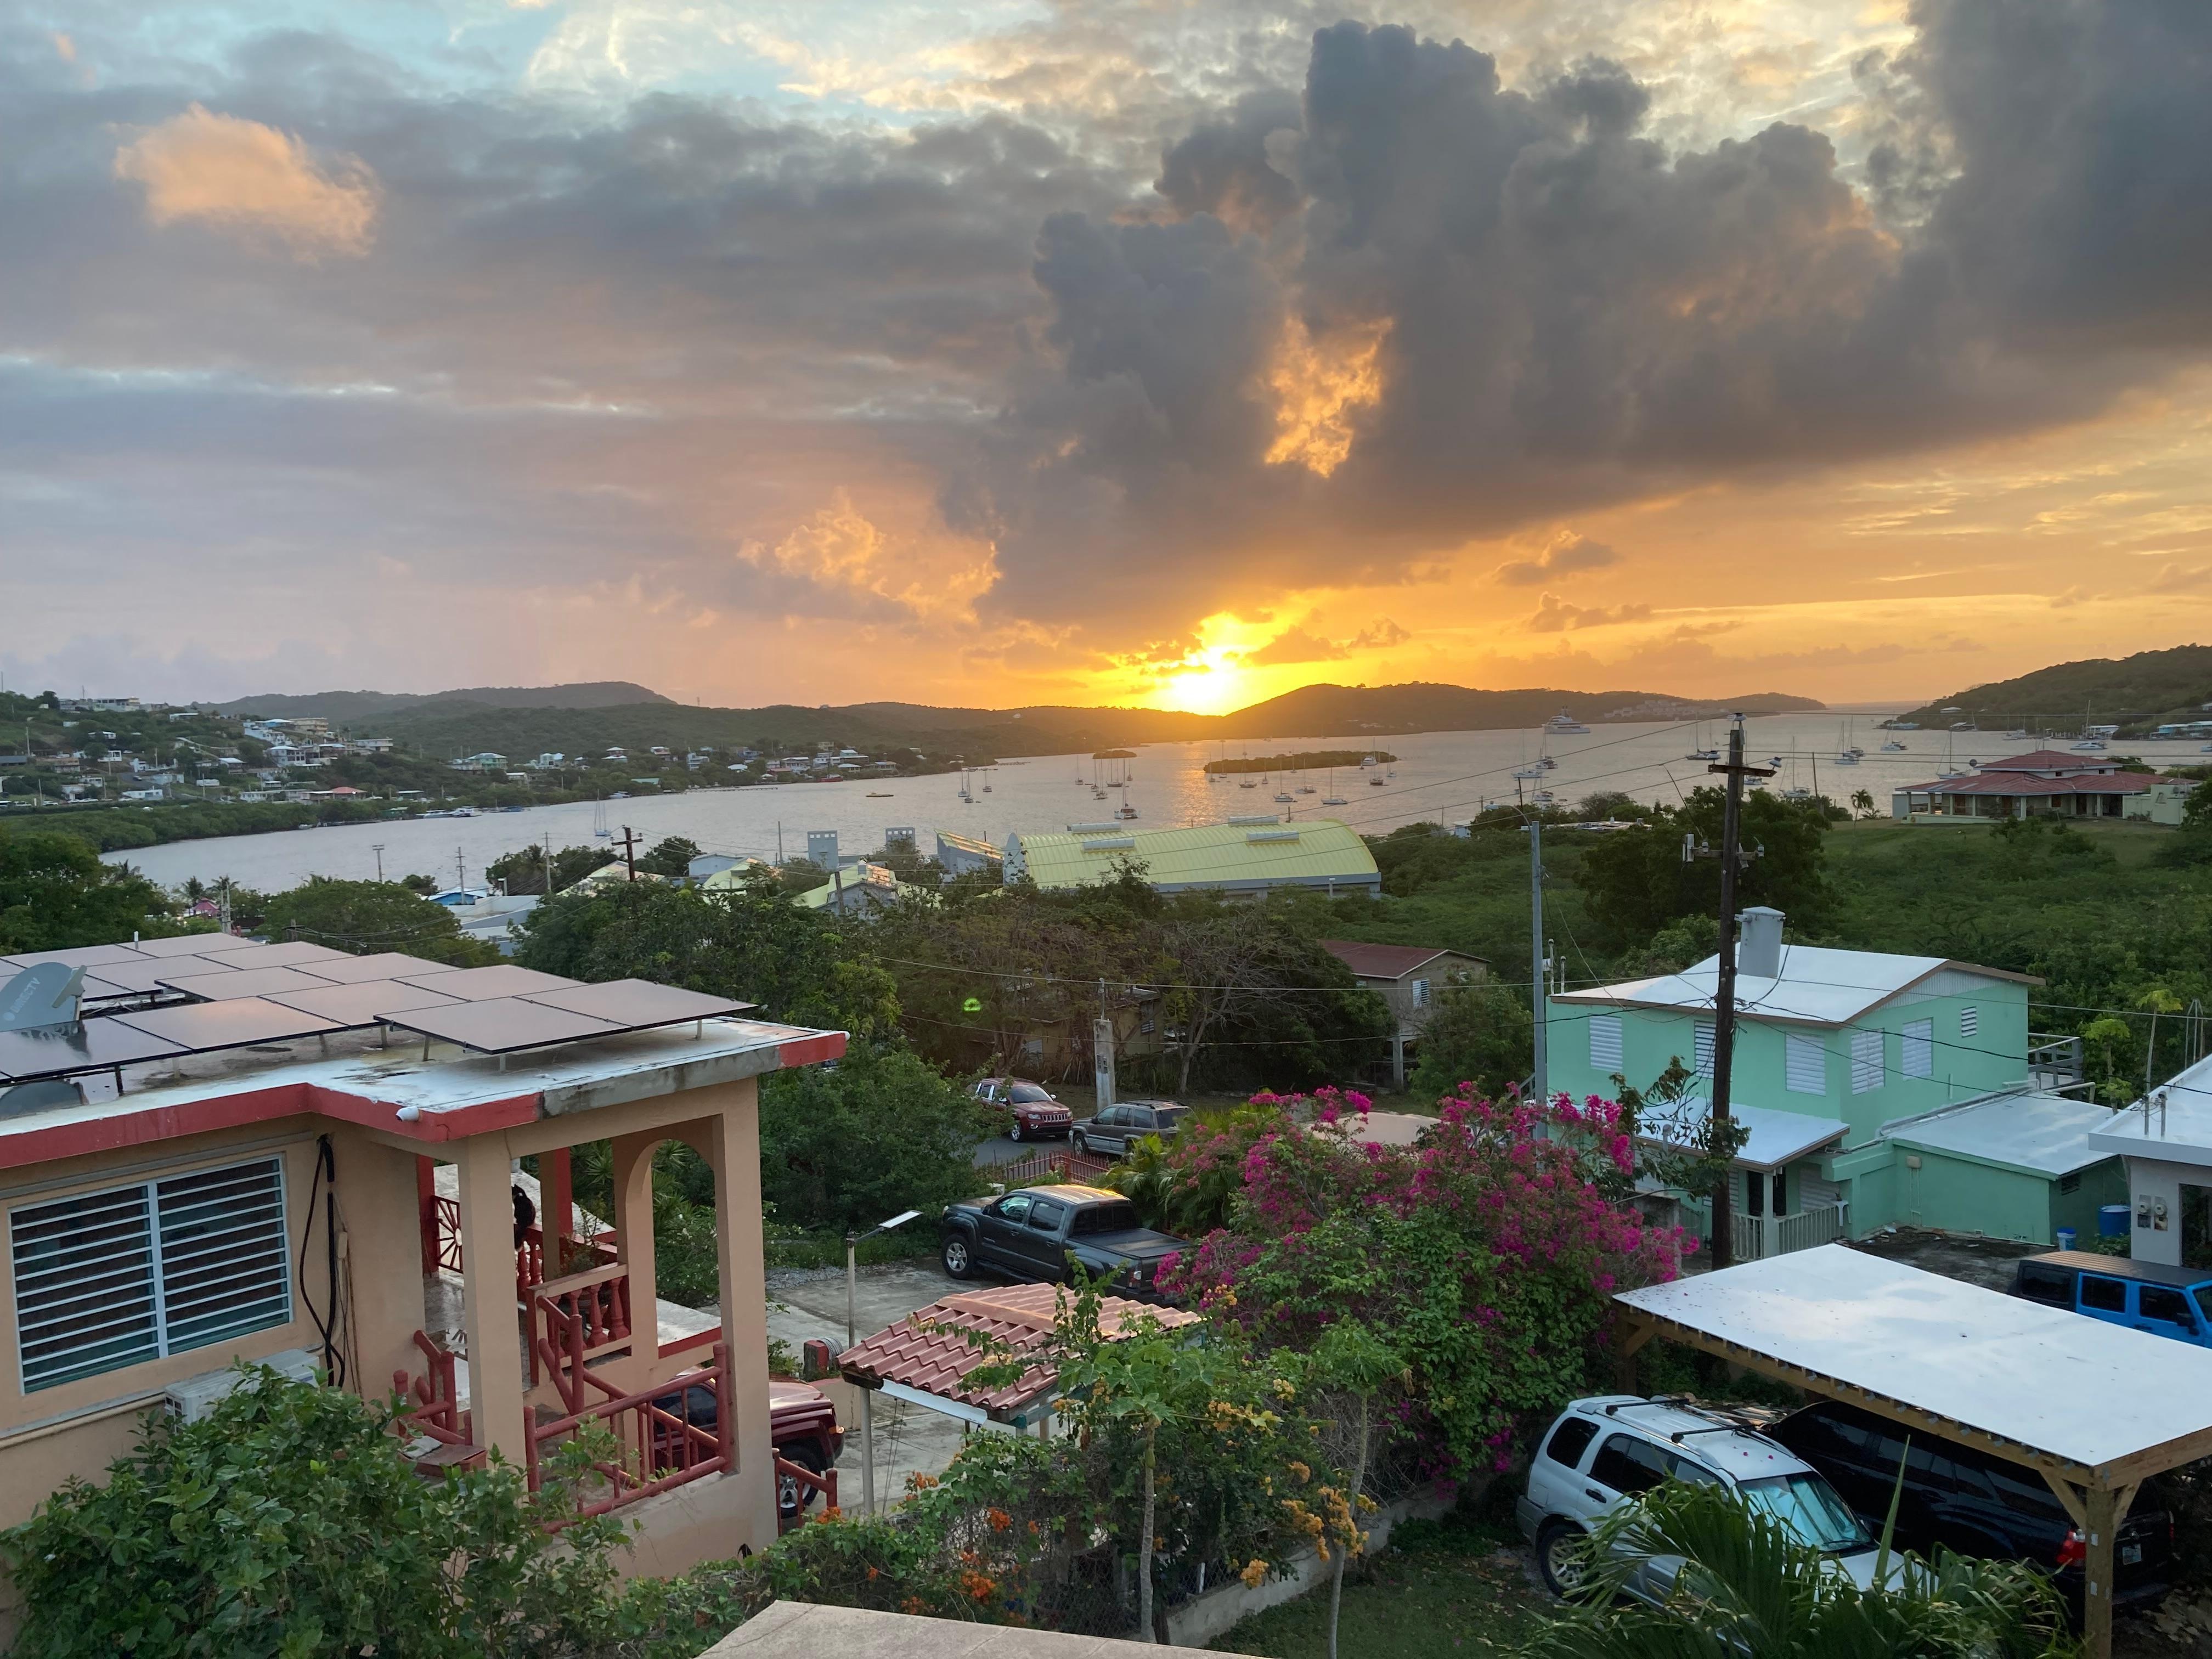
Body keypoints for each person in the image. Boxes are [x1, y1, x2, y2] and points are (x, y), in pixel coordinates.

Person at [512, 1182, 536, 1248]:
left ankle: (517, 1245)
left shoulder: (517, 1199)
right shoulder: (524, 1198)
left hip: (523, 1221)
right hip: (530, 1220)